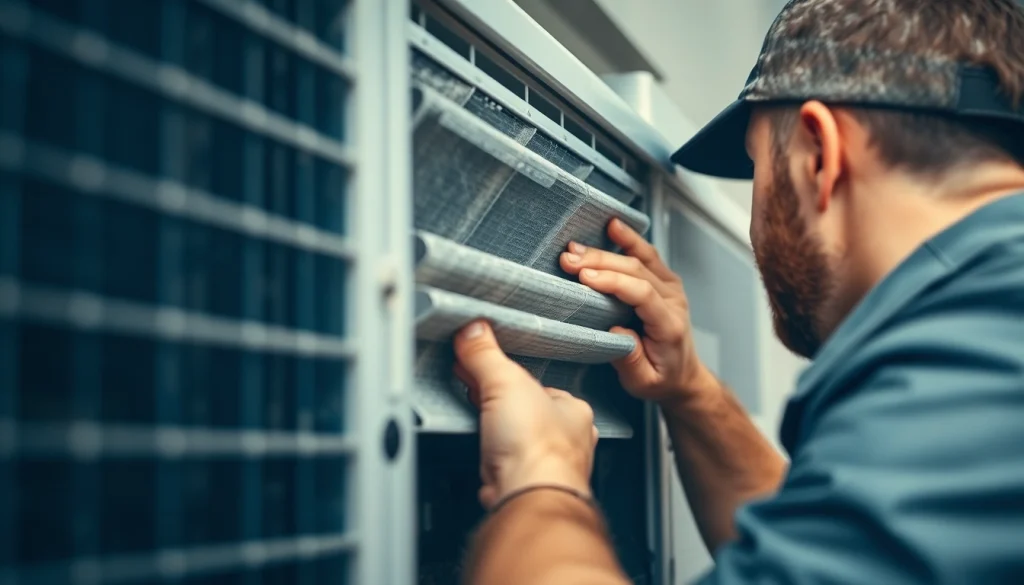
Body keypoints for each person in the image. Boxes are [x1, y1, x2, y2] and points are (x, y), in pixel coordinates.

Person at [452, 0, 1024, 583]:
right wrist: (690, 390)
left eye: (757, 166)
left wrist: (538, 473)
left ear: (820, 155)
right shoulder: (988, 322)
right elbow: (832, 553)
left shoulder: (972, 350)